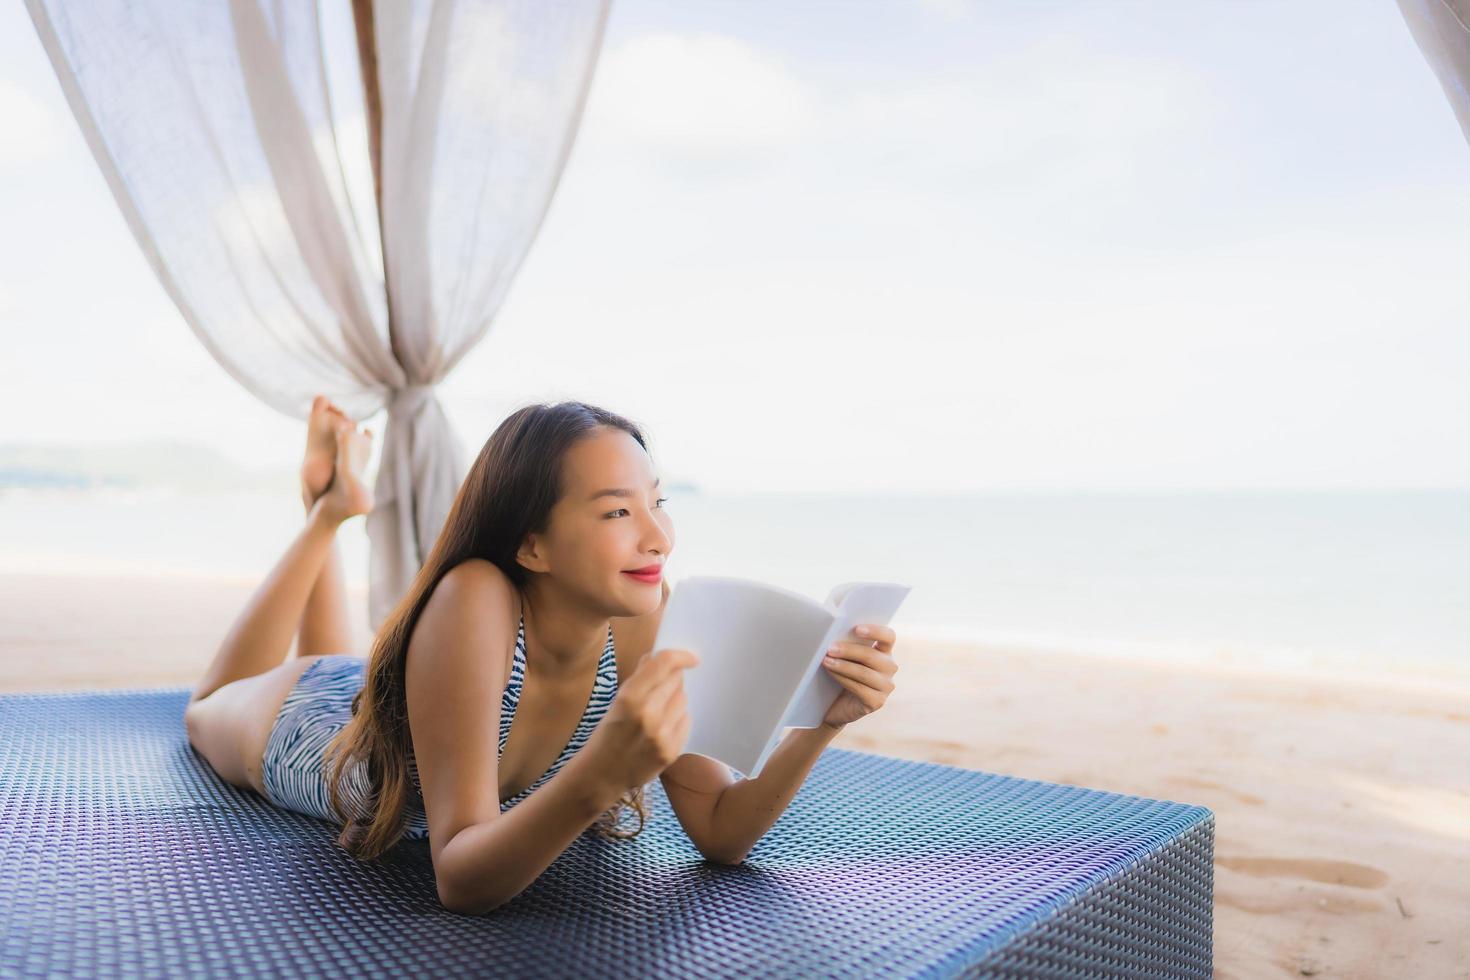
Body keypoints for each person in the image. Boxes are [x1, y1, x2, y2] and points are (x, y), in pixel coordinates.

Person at [183, 396, 900, 915]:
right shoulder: (475, 595)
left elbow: (721, 830)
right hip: (306, 726)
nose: (658, 537)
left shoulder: (643, 618)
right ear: (532, 544)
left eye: (658, 502)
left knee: (350, 668)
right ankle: (329, 513)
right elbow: (460, 877)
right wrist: (602, 772)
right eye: (618, 512)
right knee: (205, 708)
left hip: (397, 702)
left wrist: (820, 723)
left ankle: (334, 506)